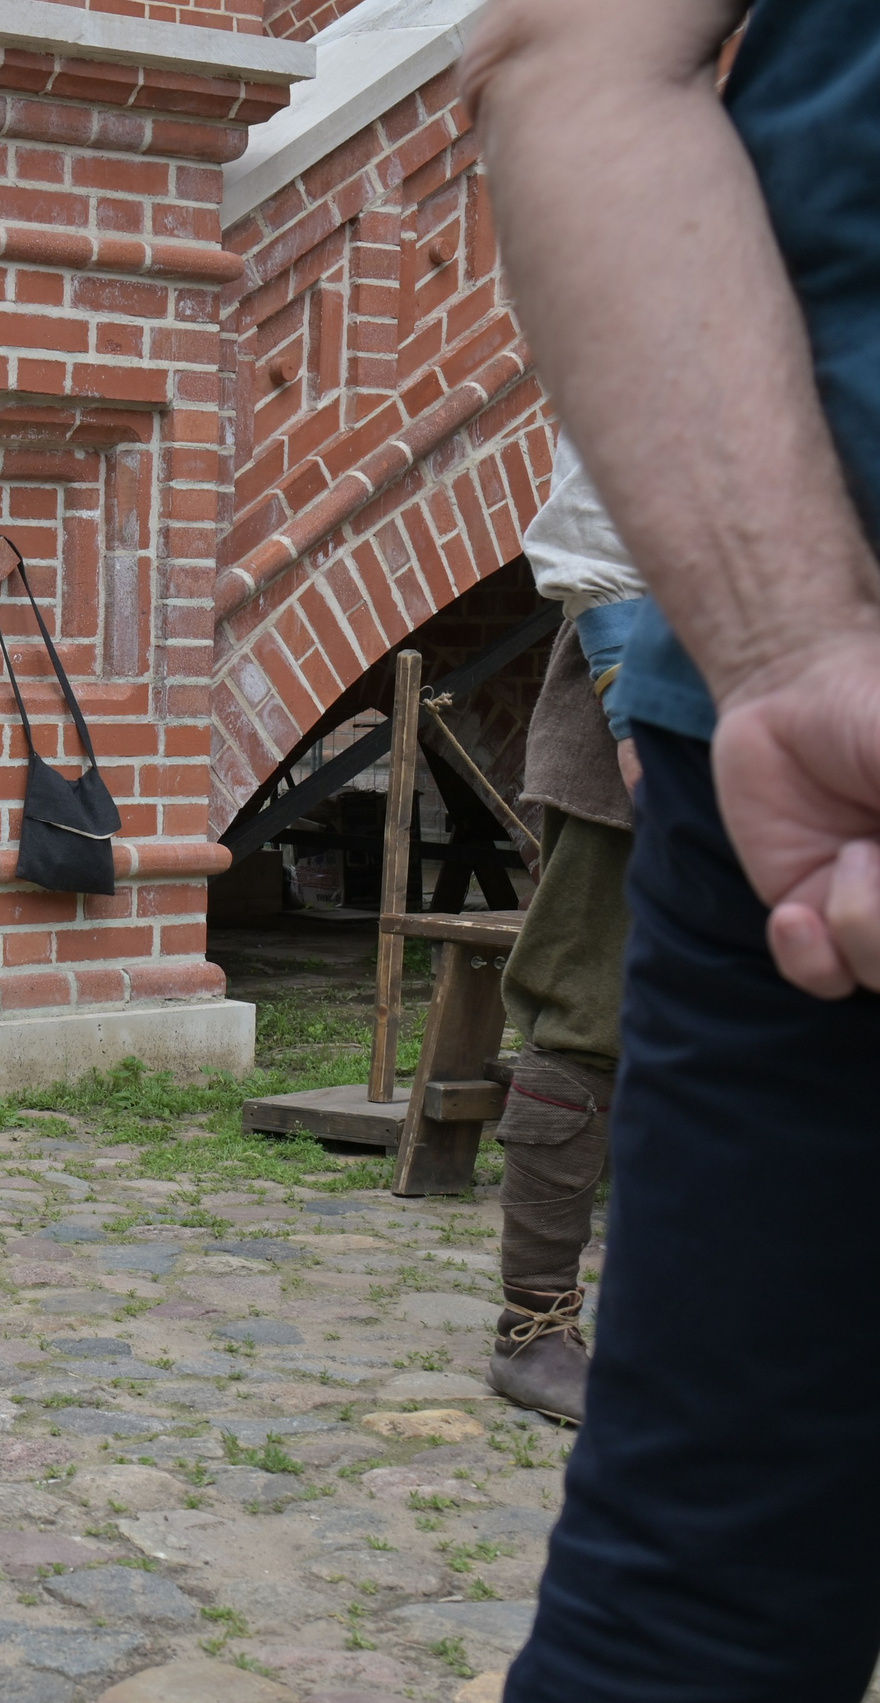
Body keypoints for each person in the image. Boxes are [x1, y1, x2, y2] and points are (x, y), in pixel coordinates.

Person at [468, 2, 880, 1696]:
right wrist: (771, 659)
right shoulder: (689, 313)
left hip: (727, 687)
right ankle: (532, 1311)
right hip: (681, 709)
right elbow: (587, 542)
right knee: (575, 1017)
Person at [484, 434, 646, 1424]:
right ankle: (533, 1324)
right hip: (649, 691)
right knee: (588, 1011)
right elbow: (596, 505)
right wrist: (635, 714)